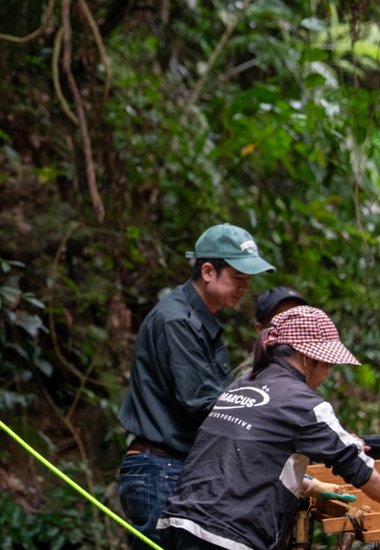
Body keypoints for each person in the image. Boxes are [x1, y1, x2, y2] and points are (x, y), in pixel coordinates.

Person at [157, 305, 380, 550]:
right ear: (308, 357)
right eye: (328, 363)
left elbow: (246, 460)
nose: (327, 373)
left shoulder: (242, 385)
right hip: (226, 536)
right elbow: (356, 466)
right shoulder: (302, 402)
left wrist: (307, 483)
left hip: (178, 524)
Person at [116, 223, 275, 549]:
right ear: (207, 271)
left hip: (176, 467)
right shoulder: (177, 320)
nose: (244, 287)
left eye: (248, 280)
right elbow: (203, 403)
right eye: (237, 277)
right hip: (160, 467)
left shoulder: (201, 319)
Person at [231, 286, 309, 379]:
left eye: (297, 320)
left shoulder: (305, 366)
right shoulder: (249, 374)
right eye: (281, 322)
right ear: (259, 329)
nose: (291, 328)